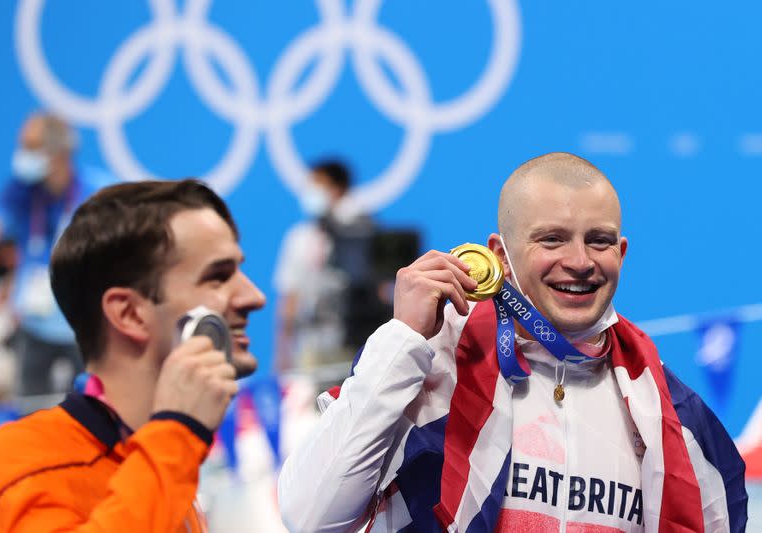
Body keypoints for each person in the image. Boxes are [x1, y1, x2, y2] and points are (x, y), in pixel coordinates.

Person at [278, 153, 748, 532]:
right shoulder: (429, 366)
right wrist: (402, 340)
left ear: (621, 253)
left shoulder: (667, 410)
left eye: (599, 241)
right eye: (552, 239)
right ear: (499, 254)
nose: (580, 261)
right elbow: (311, 516)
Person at [0, 179, 266, 532]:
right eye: (218, 277)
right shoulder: (13, 461)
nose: (254, 296)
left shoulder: (158, 463)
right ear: (129, 314)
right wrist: (177, 432)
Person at [0, 112, 114, 395]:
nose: (21, 155)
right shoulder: (20, 190)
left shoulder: (99, 193)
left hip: (84, 328)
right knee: (29, 417)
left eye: (30, 147)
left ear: (58, 154)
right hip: (34, 327)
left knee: (93, 414)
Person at [273, 159, 376, 375]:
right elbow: (290, 298)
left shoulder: (363, 231)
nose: (310, 191)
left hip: (356, 342)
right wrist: (282, 352)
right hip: (311, 342)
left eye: (317, 184)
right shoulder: (299, 238)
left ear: (337, 189)